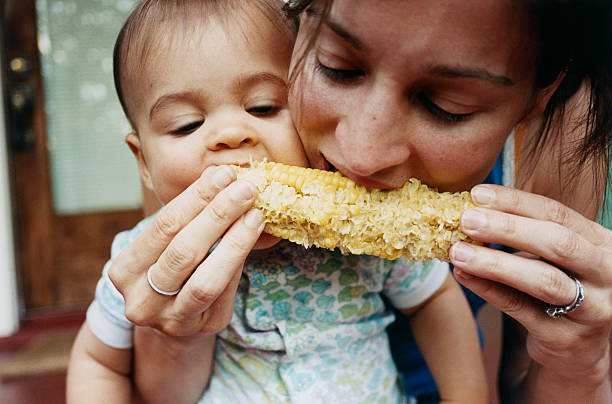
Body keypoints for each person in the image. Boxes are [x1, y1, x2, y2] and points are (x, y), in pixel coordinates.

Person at [70, 0, 612, 403]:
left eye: (263, 106)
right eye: (338, 68)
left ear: (536, 101)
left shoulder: (370, 254)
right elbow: (105, 364)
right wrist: (172, 342)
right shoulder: (146, 254)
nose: (230, 136)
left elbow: (438, 306)